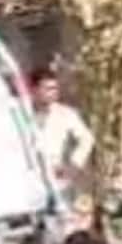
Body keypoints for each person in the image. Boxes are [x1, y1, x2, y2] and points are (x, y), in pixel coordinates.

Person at [30, 69, 96, 204]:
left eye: (55, 88)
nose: (54, 93)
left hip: (54, 175)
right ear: (35, 89)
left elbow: (87, 138)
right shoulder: (20, 111)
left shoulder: (65, 114)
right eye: (48, 89)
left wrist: (74, 164)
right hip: (26, 176)